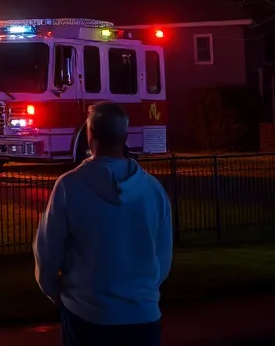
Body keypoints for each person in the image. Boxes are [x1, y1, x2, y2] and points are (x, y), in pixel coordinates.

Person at [34, 103, 173, 346]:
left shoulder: (69, 186)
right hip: (143, 316)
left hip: (86, 314)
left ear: (89, 135)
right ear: (125, 137)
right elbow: (162, 258)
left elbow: (48, 252)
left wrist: (54, 291)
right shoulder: (152, 189)